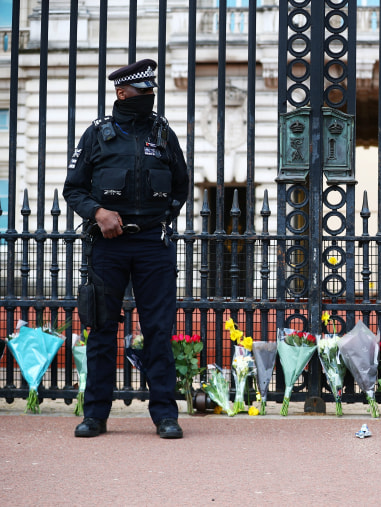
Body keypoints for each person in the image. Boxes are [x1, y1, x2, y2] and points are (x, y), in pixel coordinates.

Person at [63, 59, 189, 439]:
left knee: (157, 330)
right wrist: (98, 212)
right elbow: (73, 189)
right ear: (122, 93)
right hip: (108, 246)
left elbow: (181, 186)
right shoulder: (97, 135)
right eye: (143, 92)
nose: (149, 98)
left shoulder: (163, 134)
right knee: (101, 330)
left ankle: (165, 415)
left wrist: (157, 220)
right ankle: (95, 415)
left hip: (152, 244)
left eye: (152, 92)